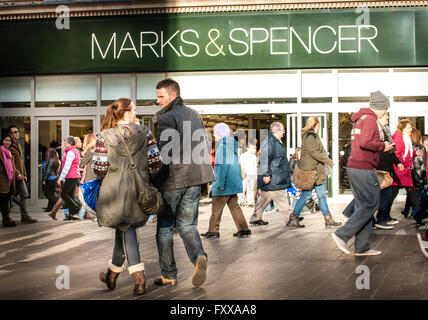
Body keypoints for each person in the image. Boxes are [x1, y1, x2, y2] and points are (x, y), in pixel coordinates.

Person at [94, 97, 162, 296]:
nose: (136, 112)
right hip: (138, 187)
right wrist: (142, 174)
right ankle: (111, 275)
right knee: (124, 227)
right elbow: (156, 163)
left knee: (125, 227)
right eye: (134, 109)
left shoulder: (104, 135)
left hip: (113, 190)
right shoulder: (145, 133)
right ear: (128, 112)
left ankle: (139, 279)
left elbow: (99, 169)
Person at [153, 78, 215, 287]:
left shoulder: (166, 118)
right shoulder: (194, 114)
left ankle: (169, 275)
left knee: (164, 228)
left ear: (172, 96)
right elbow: (204, 143)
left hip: (174, 179)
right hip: (196, 177)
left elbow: (165, 154)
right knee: (188, 225)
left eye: (161, 97)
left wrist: (154, 179)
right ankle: (198, 256)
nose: (158, 101)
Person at [332, 91, 393, 256]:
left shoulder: (360, 119)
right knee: (371, 203)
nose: (386, 112)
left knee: (363, 205)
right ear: (381, 107)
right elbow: (366, 142)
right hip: (363, 167)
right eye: (386, 109)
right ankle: (342, 234)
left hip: (355, 167)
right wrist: (383, 146)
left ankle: (361, 246)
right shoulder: (371, 120)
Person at [201, 123, 251, 238]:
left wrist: (220, 183)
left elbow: (222, 166)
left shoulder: (222, 146)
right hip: (232, 183)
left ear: (220, 133)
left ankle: (213, 231)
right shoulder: (230, 144)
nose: (214, 134)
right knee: (234, 207)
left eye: (215, 132)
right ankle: (243, 229)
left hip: (225, 183)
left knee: (216, 208)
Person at [290, 117, 341, 229]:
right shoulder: (310, 137)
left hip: (317, 172)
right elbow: (314, 153)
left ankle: (328, 219)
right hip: (312, 172)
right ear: (315, 125)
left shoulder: (311, 136)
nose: (319, 127)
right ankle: (294, 217)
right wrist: (328, 161)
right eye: (318, 125)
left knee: (321, 195)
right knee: (306, 195)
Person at [249, 122, 295, 227]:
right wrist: (266, 174)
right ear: (277, 130)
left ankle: (256, 218)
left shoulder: (275, 141)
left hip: (275, 175)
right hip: (274, 177)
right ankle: (290, 219)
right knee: (281, 197)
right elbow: (264, 159)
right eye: (283, 130)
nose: (284, 132)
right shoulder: (270, 142)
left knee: (263, 199)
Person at [370, 112, 404, 230]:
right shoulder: (376, 130)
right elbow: (375, 148)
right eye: (386, 116)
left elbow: (390, 150)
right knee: (383, 194)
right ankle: (378, 219)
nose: (388, 118)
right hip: (380, 167)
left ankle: (380, 218)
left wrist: (397, 162)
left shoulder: (386, 130)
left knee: (385, 193)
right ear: (380, 117)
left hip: (386, 167)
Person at [390, 119, 423, 218]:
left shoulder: (404, 138)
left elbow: (405, 153)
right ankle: (419, 213)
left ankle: (418, 213)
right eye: (409, 127)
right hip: (401, 170)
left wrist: (413, 153)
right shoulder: (399, 139)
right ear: (403, 128)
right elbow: (397, 155)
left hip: (404, 170)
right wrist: (403, 164)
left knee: (404, 191)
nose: (411, 129)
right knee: (395, 193)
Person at [7, 125, 37, 223]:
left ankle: (24, 216)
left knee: (22, 194)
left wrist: (24, 174)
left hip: (20, 175)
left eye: (17, 131)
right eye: (14, 132)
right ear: (10, 134)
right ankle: (22, 215)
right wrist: (17, 173)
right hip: (13, 175)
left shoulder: (18, 145)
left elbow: (20, 161)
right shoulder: (9, 146)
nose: (17, 133)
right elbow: (10, 163)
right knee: (22, 194)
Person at [402, 128, 427, 218]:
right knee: (414, 194)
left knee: (412, 193)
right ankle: (415, 212)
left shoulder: (414, 147)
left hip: (414, 174)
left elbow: (421, 163)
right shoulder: (416, 147)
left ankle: (408, 211)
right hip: (416, 174)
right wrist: (421, 177)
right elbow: (422, 164)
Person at [57, 136, 82, 219]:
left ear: (69, 143)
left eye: (65, 142)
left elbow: (66, 167)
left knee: (64, 194)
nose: (64, 144)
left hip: (71, 177)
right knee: (70, 195)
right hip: (75, 176)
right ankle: (72, 214)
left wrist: (60, 179)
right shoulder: (75, 151)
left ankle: (76, 207)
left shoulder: (70, 152)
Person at [74, 133, 97, 221]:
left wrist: (81, 157)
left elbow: (81, 164)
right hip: (96, 176)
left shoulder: (89, 152)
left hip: (90, 177)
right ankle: (82, 214)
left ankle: (82, 215)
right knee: (91, 196)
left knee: (86, 196)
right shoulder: (97, 150)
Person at [0, 134, 17, 227]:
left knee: (5, 202)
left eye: (9, 141)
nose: (7, 142)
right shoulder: (1, 151)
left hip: (9, 181)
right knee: (3, 202)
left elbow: (12, 166)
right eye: (6, 140)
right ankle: (6, 221)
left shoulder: (9, 153)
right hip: (2, 180)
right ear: (2, 141)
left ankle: (6, 220)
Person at [42, 148, 61, 214]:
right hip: (54, 178)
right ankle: (49, 207)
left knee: (47, 193)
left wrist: (44, 179)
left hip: (50, 179)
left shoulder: (50, 161)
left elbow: (48, 170)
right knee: (51, 193)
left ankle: (55, 202)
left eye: (48, 152)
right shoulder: (56, 160)